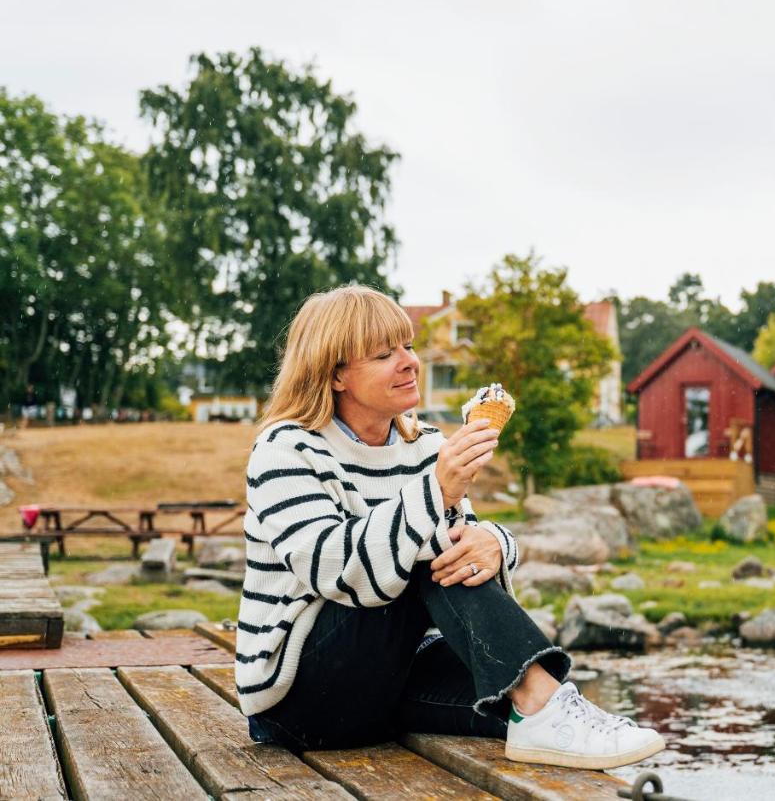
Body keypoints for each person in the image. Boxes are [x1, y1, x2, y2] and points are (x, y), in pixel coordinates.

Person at [236, 285, 664, 770]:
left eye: (409, 346)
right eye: (384, 354)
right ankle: (547, 707)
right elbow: (335, 570)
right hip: (300, 699)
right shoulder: (285, 449)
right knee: (427, 552)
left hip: (387, 685)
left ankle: (552, 706)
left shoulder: (425, 447)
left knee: (508, 682)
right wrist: (435, 493)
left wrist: (495, 545)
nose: (409, 362)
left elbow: (465, 564)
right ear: (336, 374)